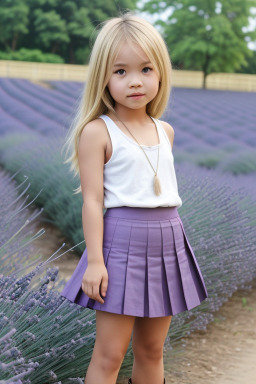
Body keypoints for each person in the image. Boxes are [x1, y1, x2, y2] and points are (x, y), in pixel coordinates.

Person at [60, 11, 208, 384]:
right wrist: (95, 261)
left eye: (146, 69)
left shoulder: (166, 131)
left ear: (160, 73)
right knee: (110, 355)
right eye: (120, 71)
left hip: (168, 242)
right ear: (103, 78)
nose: (135, 81)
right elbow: (92, 201)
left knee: (152, 350)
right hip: (121, 244)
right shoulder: (97, 132)